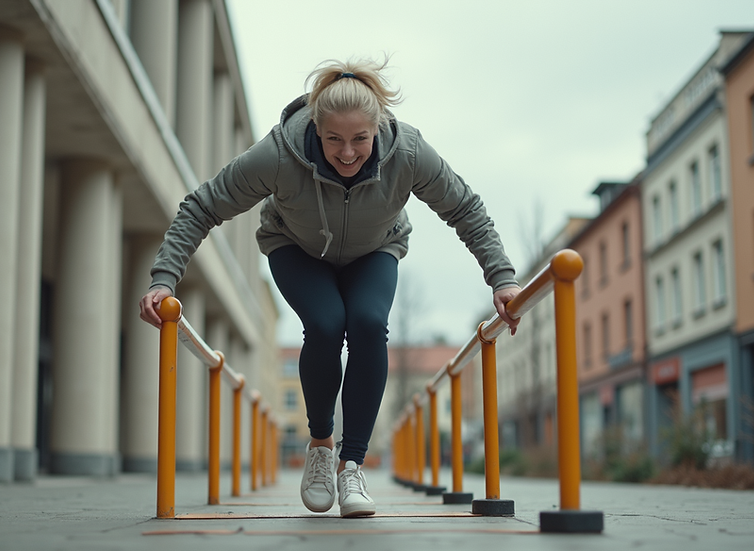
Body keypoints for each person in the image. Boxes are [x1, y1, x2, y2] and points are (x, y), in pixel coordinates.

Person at [139, 56, 521, 518]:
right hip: (296, 248)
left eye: (360, 139)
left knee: (366, 322)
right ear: (315, 129)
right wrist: (164, 278)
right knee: (325, 324)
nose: (346, 152)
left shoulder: (409, 153)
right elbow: (203, 206)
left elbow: (466, 209)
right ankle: (320, 445)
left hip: (375, 250)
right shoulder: (279, 155)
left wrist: (502, 277)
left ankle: (351, 464)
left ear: (378, 128)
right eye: (334, 139)